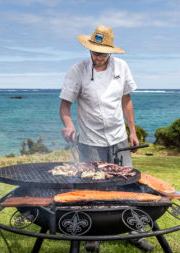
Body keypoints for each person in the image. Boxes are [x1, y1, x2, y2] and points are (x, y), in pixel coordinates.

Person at [59, 24, 154, 252]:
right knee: (93, 189)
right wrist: (69, 124)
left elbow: (126, 101)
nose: (98, 56)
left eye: (102, 52)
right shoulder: (77, 70)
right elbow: (65, 104)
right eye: (94, 51)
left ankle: (135, 232)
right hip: (90, 141)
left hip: (118, 137)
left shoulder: (122, 66)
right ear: (89, 49)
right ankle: (94, 235)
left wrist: (132, 132)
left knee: (128, 185)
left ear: (110, 50)